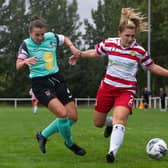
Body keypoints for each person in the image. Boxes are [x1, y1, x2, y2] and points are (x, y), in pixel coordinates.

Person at [69, 8, 168, 163]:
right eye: (127, 36)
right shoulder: (109, 43)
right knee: (98, 123)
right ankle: (110, 124)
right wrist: (80, 54)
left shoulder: (139, 51)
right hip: (107, 88)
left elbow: (152, 66)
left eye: (133, 36)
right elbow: (95, 52)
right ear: (119, 33)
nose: (130, 39)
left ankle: (112, 153)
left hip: (126, 91)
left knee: (120, 119)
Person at [16, 16, 86, 156]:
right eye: (37, 35)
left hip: (57, 79)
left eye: (42, 34)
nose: (40, 37)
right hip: (40, 84)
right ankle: (70, 143)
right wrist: (25, 62)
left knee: (73, 117)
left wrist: (71, 47)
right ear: (30, 33)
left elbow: (64, 38)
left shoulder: (51, 37)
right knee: (62, 114)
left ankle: (42, 135)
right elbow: (18, 65)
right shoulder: (26, 44)